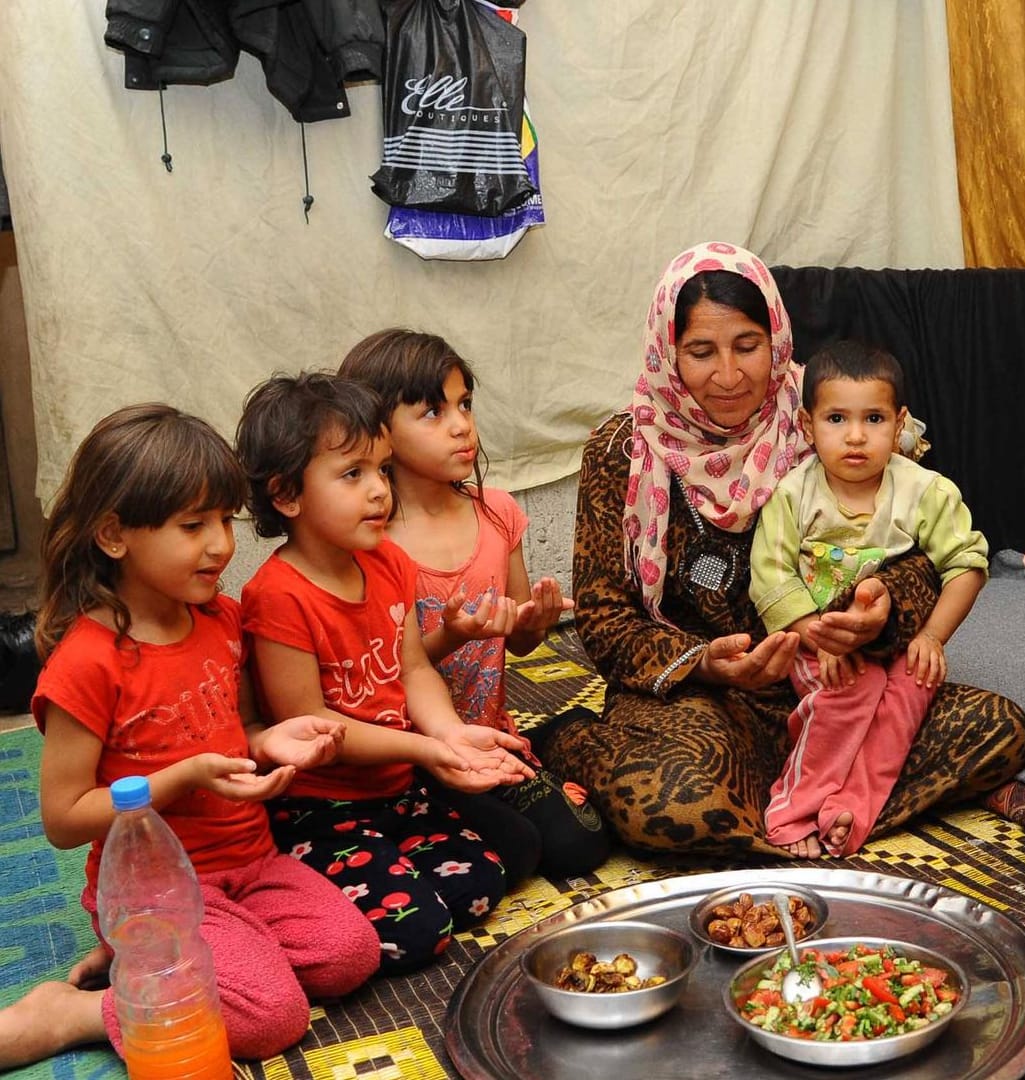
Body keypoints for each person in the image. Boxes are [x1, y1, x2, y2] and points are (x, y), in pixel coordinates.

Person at [532, 240, 1025, 857]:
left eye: (748, 346)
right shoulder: (623, 452)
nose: (730, 375)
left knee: (997, 731)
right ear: (667, 350)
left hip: (838, 678)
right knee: (671, 804)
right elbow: (604, 618)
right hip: (701, 699)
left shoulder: (830, 414)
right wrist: (707, 662)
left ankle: (803, 807)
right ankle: (583, 743)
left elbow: (927, 552)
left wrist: (880, 612)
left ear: (778, 338)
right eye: (701, 352)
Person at [0, 405, 378, 1070]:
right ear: (114, 535)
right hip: (160, 886)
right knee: (273, 1015)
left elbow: (237, 730)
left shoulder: (220, 621)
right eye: (193, 525)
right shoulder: (88, 662)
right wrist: (184, 777)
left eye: (226, 520)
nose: (222, 544)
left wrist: (270, 739)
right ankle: (79, 1011)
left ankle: (157, 963)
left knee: (351, 953)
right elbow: (62, 819)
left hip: (252, 863)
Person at [236, 372, 535, 974]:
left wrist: (448, 734)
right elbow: (311, 723)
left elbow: (414, 667)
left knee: (489, 876)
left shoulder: (386, 561)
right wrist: (427, 748)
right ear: (287, 496)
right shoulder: (277, 596)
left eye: (380, 469)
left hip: (401, 789)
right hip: (325, 807)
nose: (379, 491)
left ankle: (382, 870)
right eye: (353, 475)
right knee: (418, 934)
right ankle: (282, 897)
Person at [339, 329, 611, 880]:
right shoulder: (371, 543)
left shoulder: (497, 513)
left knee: (582, 844)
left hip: (490, 729)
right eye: (433, 412)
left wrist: (533, 621)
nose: (461, 425)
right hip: (411, 756)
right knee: (514, 855)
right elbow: (390, 674)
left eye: (464, 404)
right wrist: (453, 635)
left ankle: (539, 743)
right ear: (379, 432)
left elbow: (520, 643)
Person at [750, 341, 989, 857]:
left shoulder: (926, 491)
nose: (856, 436)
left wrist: (931, 636)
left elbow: (967, 564)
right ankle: (793, 808)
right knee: (856, 689)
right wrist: (819, 635)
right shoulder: (794, 495)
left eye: (874, 418)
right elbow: (770, 575)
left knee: (909, 690)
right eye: (836, 418)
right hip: (817, 644)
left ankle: (851, 809)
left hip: (897, 641)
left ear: (900, 423)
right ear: (808, 425)